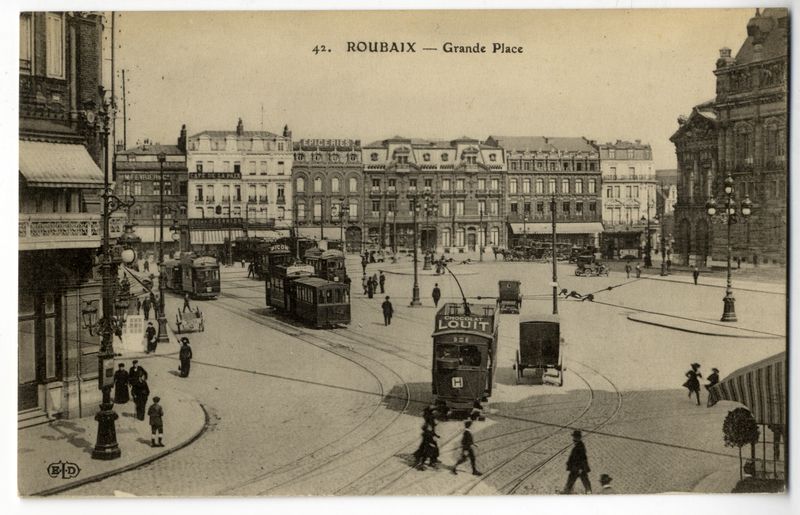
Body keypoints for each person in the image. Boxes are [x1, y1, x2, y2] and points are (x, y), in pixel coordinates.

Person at [562, 430, 592, 494]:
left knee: (574, 480)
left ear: (578, 438)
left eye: (575, 437)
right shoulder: (579, 445)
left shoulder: (580, 446)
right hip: (577, 467)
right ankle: (589, 492)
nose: (573, 438)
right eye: (574, 437)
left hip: (577, 468)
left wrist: (580, 468)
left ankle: (567, 491)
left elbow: (582, 458)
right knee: (583, 480)